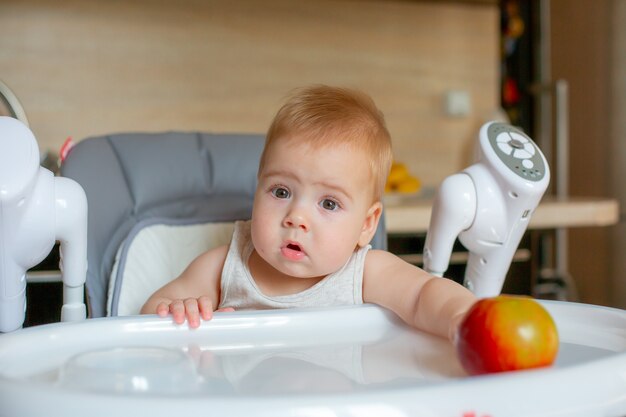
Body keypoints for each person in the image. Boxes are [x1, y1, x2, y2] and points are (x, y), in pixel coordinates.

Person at [141, 85, 476, 342]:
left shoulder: (364, 272)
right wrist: (176, 310)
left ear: (366, 225)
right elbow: (150, 316)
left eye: (329, 203)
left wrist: (463, 316)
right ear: (257, 189)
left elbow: (423, 295)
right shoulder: (225, 266)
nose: (296, 217)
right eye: (281, 192)